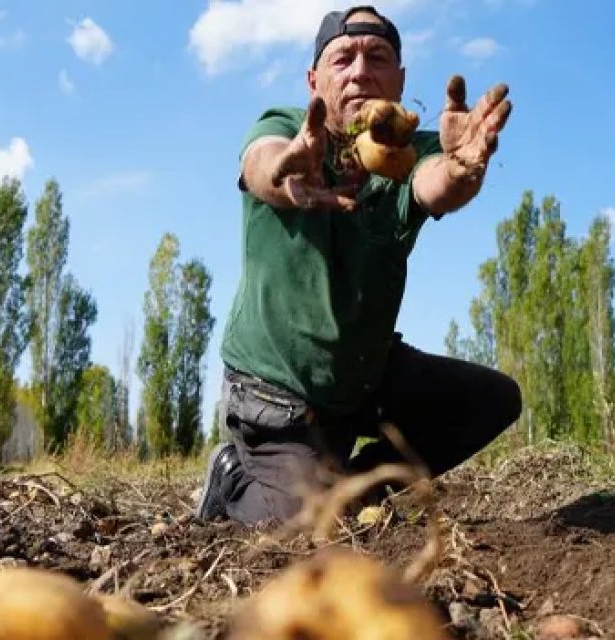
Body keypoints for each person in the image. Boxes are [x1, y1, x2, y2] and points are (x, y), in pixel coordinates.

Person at [195, 5, 522, 526]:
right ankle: (234, 476)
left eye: (378, 57)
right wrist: (286, 174)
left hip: (361, 377)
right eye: (343, 58)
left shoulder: (405, 152)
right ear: (314, 79)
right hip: (278, 396)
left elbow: (434, 181)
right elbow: (263, 161)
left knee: (491, 400)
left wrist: (462, 169)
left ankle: (353, 490)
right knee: (299, 532)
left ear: (400, 79)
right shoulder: (285, 129)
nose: (361, 70)